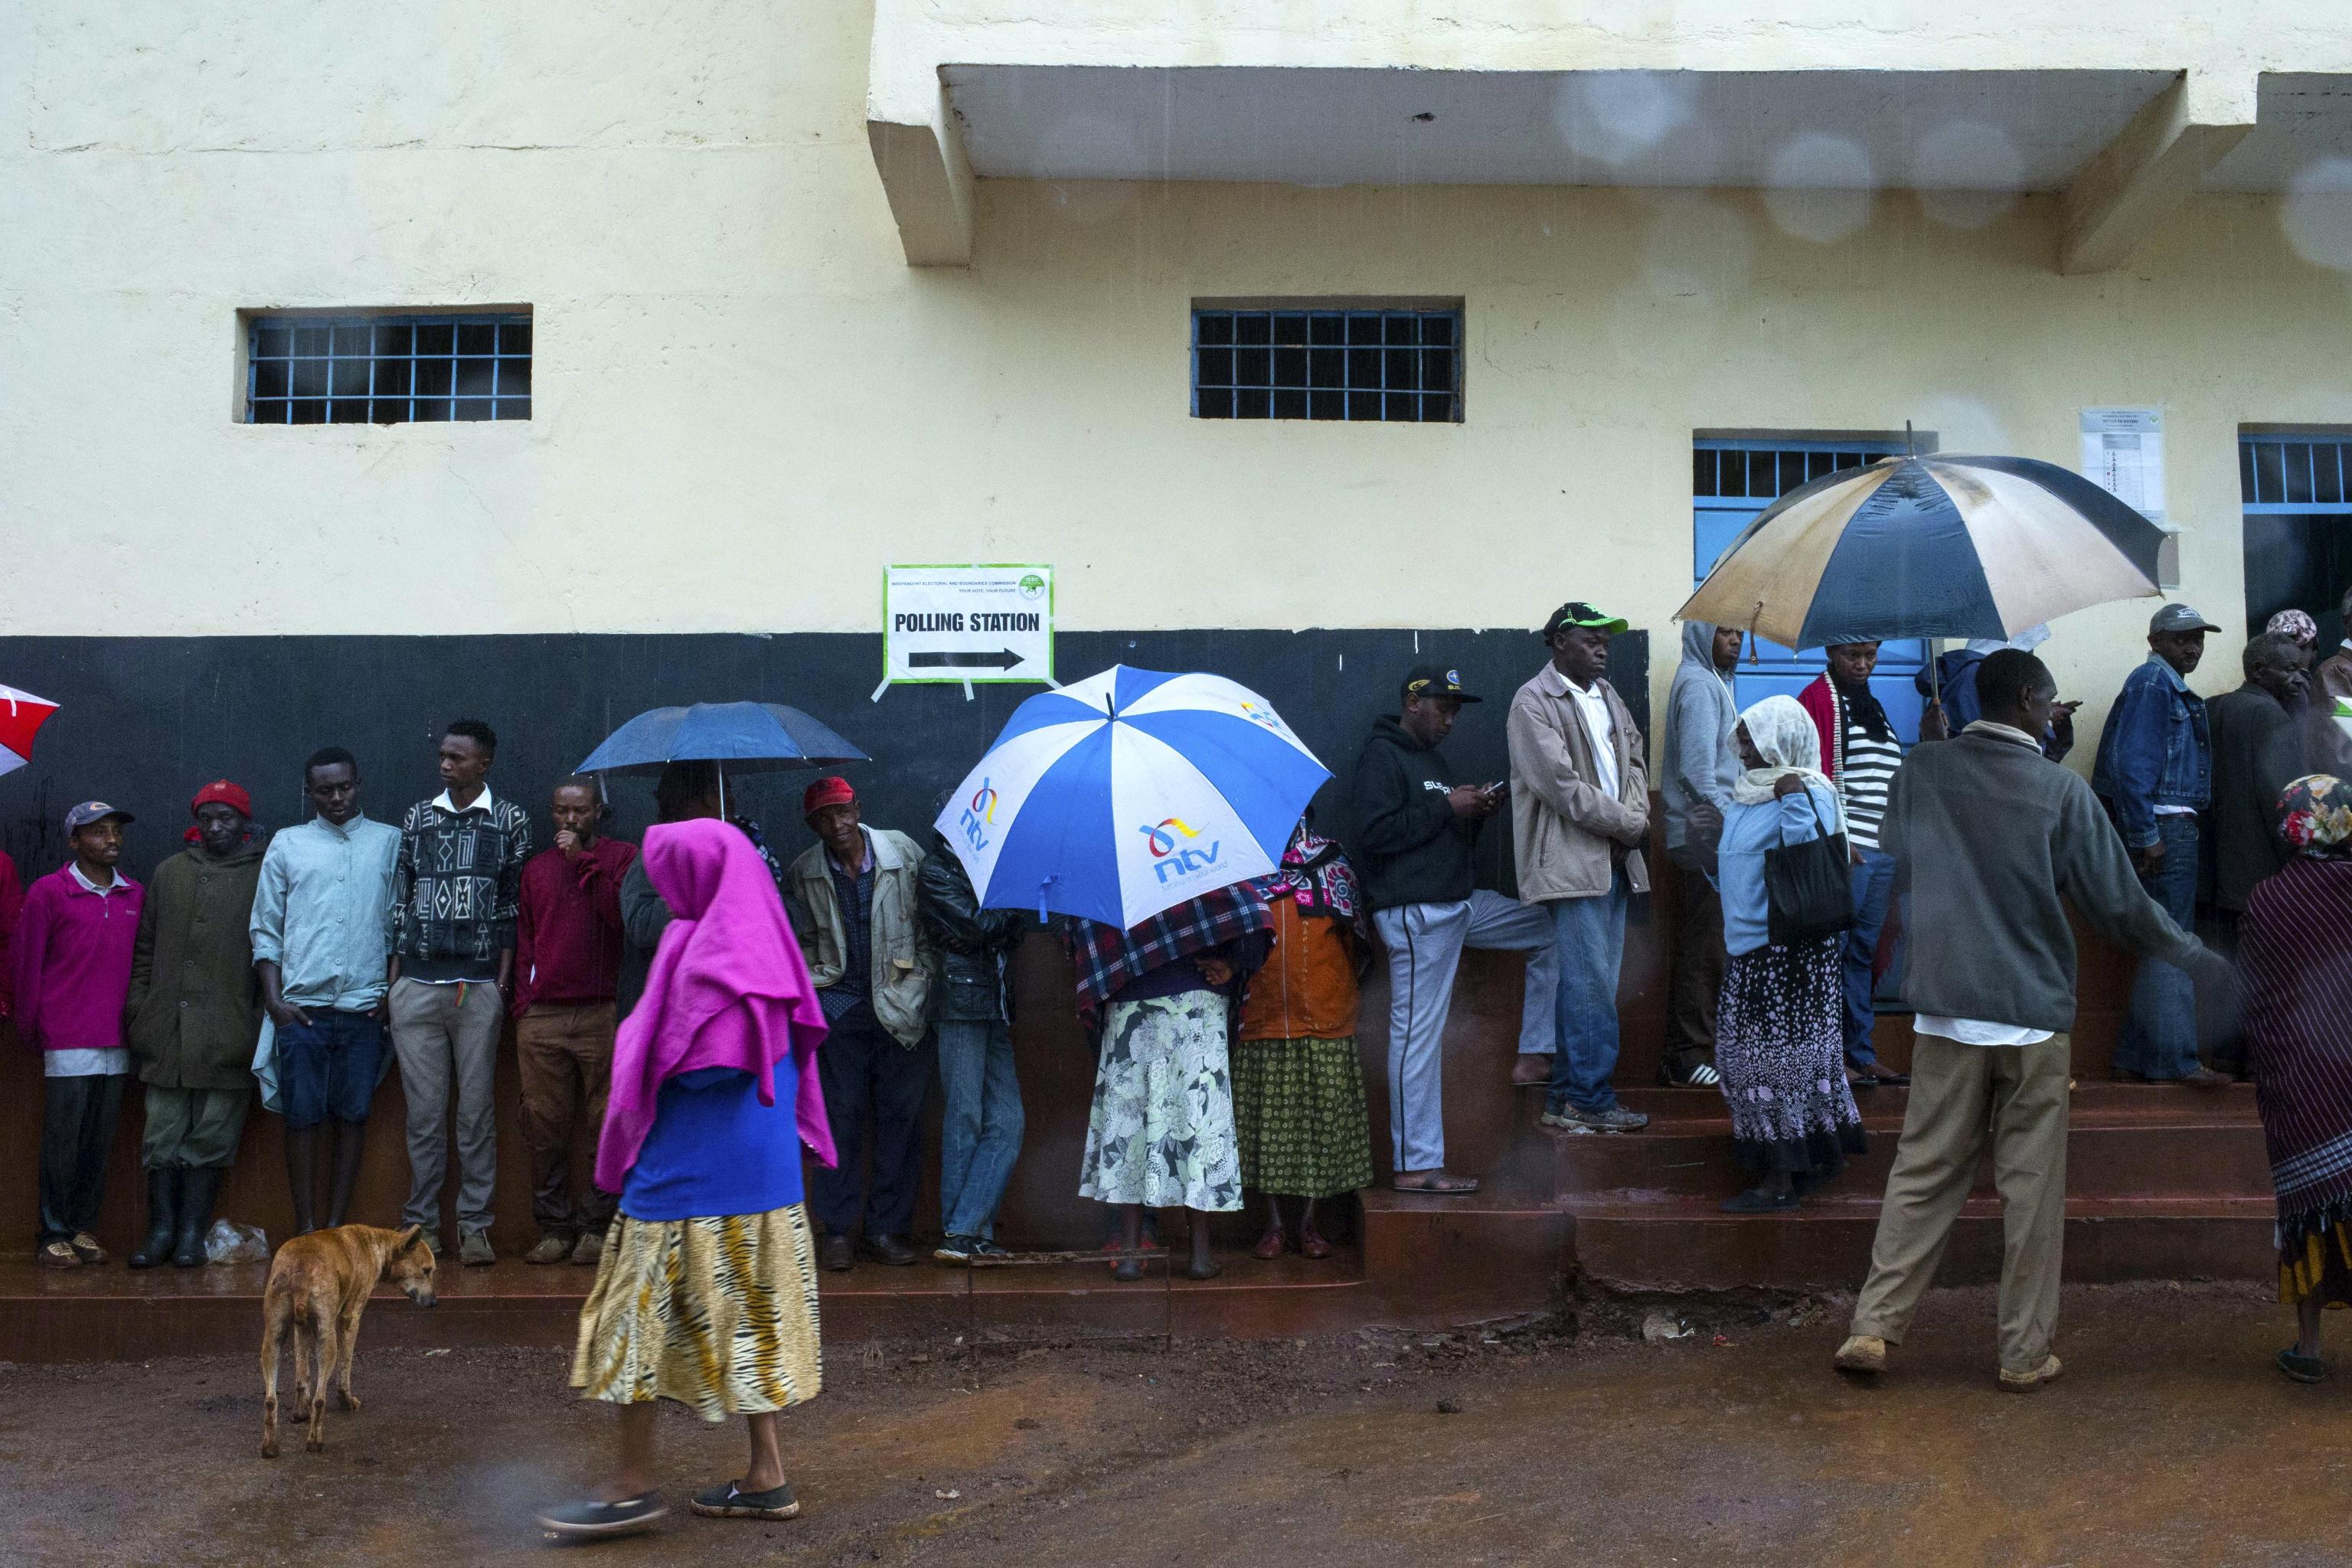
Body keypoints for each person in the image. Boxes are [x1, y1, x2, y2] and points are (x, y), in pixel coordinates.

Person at [1835, 650, 2227, 1391]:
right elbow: (2120, 905)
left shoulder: (1922, 767)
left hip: (1946, 1011)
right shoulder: (2059, 791)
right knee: (2031, 1192)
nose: (2053, 715)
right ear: (2023, 699)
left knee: (1921, 1173)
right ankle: (2022, 1353)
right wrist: (2193, 956)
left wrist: (1932, 757)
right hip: (2031, 1018)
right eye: (2048, 704)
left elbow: (1896, 853)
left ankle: (1874, 1327)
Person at [539, 818, 835, 1540]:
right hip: (765, 1177)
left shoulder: (704, 949)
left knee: (634, 1321)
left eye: (668, 873)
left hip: (688, 1175)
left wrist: (641, 1061)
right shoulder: (769, 941)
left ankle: (630, 1486)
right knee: (752, 1319)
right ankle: (766, 1475)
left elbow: (703, 1064)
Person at [1351, 665, 1557, 1194]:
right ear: (1413, 702)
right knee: (1417, 1039)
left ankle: (1535, 1053)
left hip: (1460, 904)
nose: (1450, 720)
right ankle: (1416, 1166)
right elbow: (1375, 836)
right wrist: (1446, 806)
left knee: (1547, 928)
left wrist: (1473, 814)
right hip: (1417, 914)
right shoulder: (1382, 755)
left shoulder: (1434, 760)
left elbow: (1436, 836)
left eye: (1455, 712)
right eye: (1442, 708)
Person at [1066, 882, 1272, 1281]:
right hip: (1196, 1006)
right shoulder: (1199, 860)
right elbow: (1255, 919)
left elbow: (1082, 942)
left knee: (1129, 1126)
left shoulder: (1107, 873)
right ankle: (1200, 1257)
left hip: (1129, 1005)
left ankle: (1130, 1255)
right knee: (1199, 1124)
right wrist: (1231, 963)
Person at [387, 718, 535, 1264]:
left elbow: (512, 906)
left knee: (476, 1114)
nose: (445, 765)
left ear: (483, 764)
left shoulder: (510, 820)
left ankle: (475, 1226)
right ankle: (421, 1225)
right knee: (424, 1118)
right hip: (417, 986)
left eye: (457, 757)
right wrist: (395, 980)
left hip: (477, 989)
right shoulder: (418, 818)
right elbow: (401, 898)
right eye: (442, 756)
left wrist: (501, 980)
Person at [1712, 699, 1867, 1214]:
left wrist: (1795, 800)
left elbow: (1812, 862)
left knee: (1777, 1065)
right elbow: (1737, 871)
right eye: (1743, 741)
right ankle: (1814, 1159)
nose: (1745, 752)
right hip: (1749, 949)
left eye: (1754, 741)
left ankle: (1782, 1179)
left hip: (1790, 954)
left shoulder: (1809, 788)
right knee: (1745, 1063)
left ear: (1782, 741)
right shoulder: (1746, 795)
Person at [1508, 603, 1651, 1135]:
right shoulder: (1533, 701)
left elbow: (1636, 761)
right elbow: (1560, 786)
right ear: (1560, 641)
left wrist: (1633, 817)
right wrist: (1627, 824)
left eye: (1606, 641)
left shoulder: (1609, 695)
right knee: (1590, 986)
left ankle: (1565, 1098)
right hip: (1573, 862)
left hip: (1616, 857)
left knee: (1594, 985)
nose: (1602, 648)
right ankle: (1590, 1099)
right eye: (1591, 639)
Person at [251, 747, 402, 1236]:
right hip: (301, 1010)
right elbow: (266, 928)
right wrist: (275, 1002)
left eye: (344, 787)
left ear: (359, 785)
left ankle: (336, 1227)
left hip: (366, 1008)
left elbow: (401, 925)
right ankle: (306, 1228)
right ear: (308, 792)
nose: (336, 798)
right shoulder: (288, 844)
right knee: (302, 1117)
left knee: (354, 1115)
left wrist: (391, 992)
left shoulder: (390, 842)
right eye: (324, 790)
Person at [785, 776, 933, 1272]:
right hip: (840, 1009)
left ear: (858, 808)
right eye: (825, 818)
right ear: (813, 825)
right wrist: (817, 991)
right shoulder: (804, 871)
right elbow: (799, 939)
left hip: (902, 1004)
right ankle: (837, 1232)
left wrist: (923, 981)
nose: (837, 824)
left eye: (843, 811)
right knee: (838, 1120)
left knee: (901, 1121)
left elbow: (927, 921)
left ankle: (886, 1230)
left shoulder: (901, 852)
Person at [2236, 776, 2352, 1384]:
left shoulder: (2266, 899)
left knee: (2308, 1212)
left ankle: (2308, 1349)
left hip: (2300, 1081)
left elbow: (2255, 994)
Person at [122, 781, 265, 1269]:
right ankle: (161, 1231)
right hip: (166, 1035)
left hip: (230, 1034)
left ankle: (190, 1234)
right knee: (160, 1134)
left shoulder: (263, 872)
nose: (216, 827)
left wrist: (254, 1023)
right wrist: (141, 1010)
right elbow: (145, 948)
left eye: (227, 818)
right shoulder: (170, 872)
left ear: (244, 822)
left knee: (212, 1136)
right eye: (206, 818)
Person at [2092, 603, 2226, 1088]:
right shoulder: (2153, 683)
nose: (2193, 647)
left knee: (2159, 939)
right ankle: (2175, 1061)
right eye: (2181, 638)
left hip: (2166, 828)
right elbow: (2131, 766)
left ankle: (2133, 1057)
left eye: (2198, 638)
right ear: (2155, 641)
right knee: (2171, 942)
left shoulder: (2161, 683)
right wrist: (2147, 836)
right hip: (2166, 830)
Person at [1233, 820, 1375, 1259]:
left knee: (1323, 1125)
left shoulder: (1333, 864)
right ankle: (1274, 1225)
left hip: (1325, 1016)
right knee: (1265, 1129)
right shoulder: (1240, 871)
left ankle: (1310, 1222)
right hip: (1263, 1018)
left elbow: (1356, 943)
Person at [514, 776, 640, 1266]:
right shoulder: (536, 869)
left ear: (597, 813)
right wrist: (524, 1006)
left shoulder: (622, 858)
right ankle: (553, 1228)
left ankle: (596, 1227)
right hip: (542, 1015)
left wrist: (583, 863)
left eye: (580, 811)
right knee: (543, 1124)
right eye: (562, 811)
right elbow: (526, 940)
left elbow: (620, 919)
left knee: (606, 1121)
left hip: (602, 1012)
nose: (570, 820)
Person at [15, 802, 142, 1269]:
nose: (112, 839)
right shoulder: (49, 892)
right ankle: (52, 1232)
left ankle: (81, 1227)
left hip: (118, 1038)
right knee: (63, 1142)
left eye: (116, 831)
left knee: (98, 1141)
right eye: (98, 832)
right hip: (67, 1036)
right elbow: (26, 964)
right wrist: (33, 1027)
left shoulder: (134, 894)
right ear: (74, 842)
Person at [1796, 641, 1910, 1089]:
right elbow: (1807, 774)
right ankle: (1827, 1058)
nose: (1863, 665)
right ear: (1831, 653)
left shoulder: (1872, 707)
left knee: (1861, 953)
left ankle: (1860, 1054)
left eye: (1870, 656)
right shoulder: (1817, 700)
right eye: (1852, 656)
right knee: (1832, 953)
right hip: (1847, 851)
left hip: (1880, 853)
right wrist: (1833, 837)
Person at [916, 805, 1025, 1265]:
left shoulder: (988, 873)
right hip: (959, 1002)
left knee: (1009, 1120)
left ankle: (966, 1230)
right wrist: (1001, 917)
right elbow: (980, 927)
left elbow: (1002, 931)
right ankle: (963, 1235)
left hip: (994, 1003)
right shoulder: (936, 871)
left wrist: (994, 924)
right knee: (964, 1117)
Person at [2207, 632, 2314, 1078]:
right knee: (2268, 968)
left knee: (2228, 963)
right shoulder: (2272, 716)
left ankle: (2228, 1056)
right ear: (2257, 671)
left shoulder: (2215, 708)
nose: (2298, 677)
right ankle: (2256, 1060)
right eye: (2288, 669)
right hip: (2263, 869)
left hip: (2218, 865)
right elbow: (2286, 799)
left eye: (2300, 668)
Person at [1658, 622, 1741, 1088]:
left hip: (1713, 835)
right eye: (1724, 631)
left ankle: (1698, 1051)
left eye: (1739, 632)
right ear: (1700, 634)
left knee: (1715, 945)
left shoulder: (1716, 683)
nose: (1736, 640)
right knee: (1705, 948)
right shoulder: (1699, 685)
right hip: (1705, 837)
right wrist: (1733, 827)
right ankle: (1686, 1057)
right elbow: (1697, 775)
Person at [1916, 626, 2078, 762]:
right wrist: (2041, 718)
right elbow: (1987, 750)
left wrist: (2043, 710)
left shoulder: (1974, 674)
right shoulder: (1975, 676)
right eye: (2027, 649)